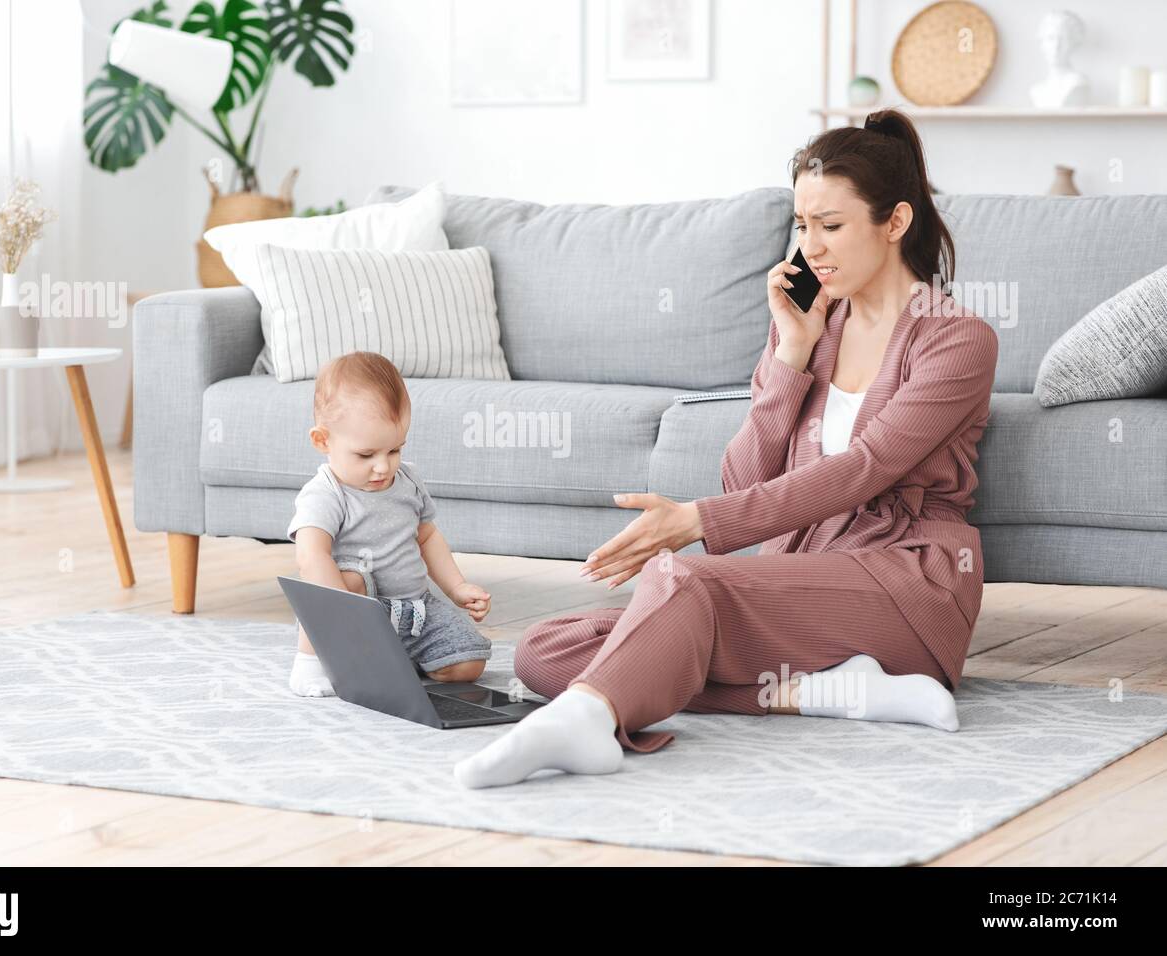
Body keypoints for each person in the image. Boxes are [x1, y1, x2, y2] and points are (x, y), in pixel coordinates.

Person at [454, 108, 999, 790]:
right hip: (800, 580)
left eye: (831, 226)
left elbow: (864, 470)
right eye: (802, 226)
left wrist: (696, 521)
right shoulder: (809, 327)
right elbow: (744, 473)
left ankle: (588, 723)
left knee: (682, 581)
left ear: (894, 223)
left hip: (907, 584)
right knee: (546, 651)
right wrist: (791, 356)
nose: (812, 248)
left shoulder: (957, 339)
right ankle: (824, 691)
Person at [286, 351, 493, 697]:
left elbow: (427, 537)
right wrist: (341, 610)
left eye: (394, 450)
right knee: (347, 580)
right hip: (358, 611)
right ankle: (310, 665)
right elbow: (311, 557)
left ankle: (396, 658)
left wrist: (457, 587)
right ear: (323, 441)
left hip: (417, 609)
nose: (383, 467)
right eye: (366, 455)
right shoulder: (325, 493)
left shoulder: (408, 480)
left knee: (468, 664)